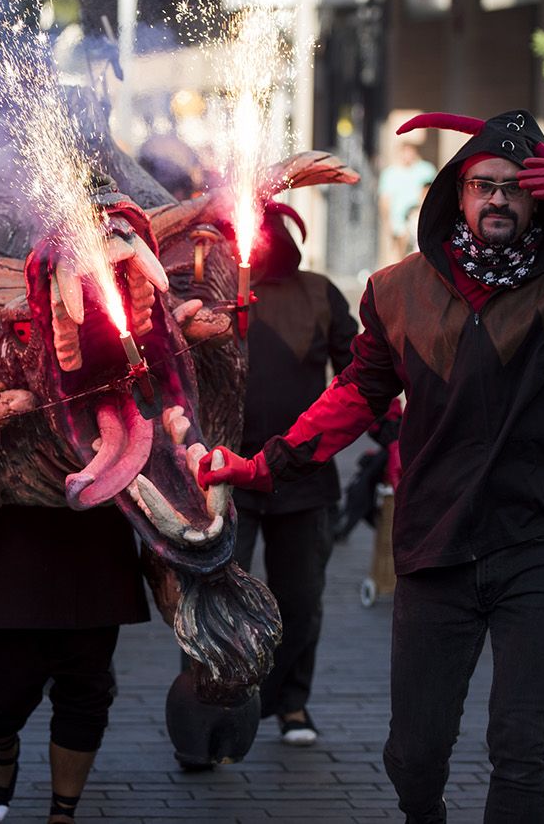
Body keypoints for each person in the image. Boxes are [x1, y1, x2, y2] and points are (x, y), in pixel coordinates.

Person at [198, 109, 544, 823]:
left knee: (519, 748)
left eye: (515, 188)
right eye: (483, 185)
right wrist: (260, 468)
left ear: (540, 199)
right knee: (414, 755)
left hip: (540, 540)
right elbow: (354, 397)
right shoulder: (398, 289)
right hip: (435, 544)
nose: (498, 199)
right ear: (457, 195)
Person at [231, 205, 356, 747]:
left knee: (301, 598)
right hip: (226, 472)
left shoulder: (319, 292)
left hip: (303, 474)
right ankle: (218, 705)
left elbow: (361, 372)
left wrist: (397, 432)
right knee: (219, 598)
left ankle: (290, 702)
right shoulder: (218, 286)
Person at [0, 504, 149, 824]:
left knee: (86, 687)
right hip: (15, 533)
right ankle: (2, 747)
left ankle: (63, 813)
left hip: (95, 532)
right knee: (2, 688)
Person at [378, 130, 436, 265]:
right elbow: (385, 200)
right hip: (399, 222)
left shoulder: (426, 170)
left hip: (418, 219)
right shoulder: (390, 173)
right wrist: (388, 224)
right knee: (401, 259)